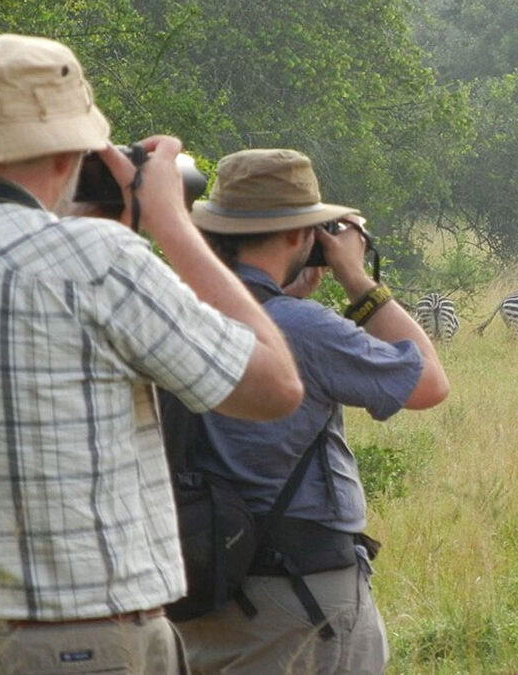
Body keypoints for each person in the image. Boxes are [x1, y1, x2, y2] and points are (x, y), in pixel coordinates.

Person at [0, 34, 303, 674]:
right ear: (73, 152)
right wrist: (170, 224)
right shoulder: (97, 263)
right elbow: (273, 387)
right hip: (74, 639)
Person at [167, 148, 451, 674]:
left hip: (194, 586)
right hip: (299, 592)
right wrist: (358, 281)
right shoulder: (302, 327)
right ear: (301, 235)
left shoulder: (172, 311)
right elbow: (428, 383)